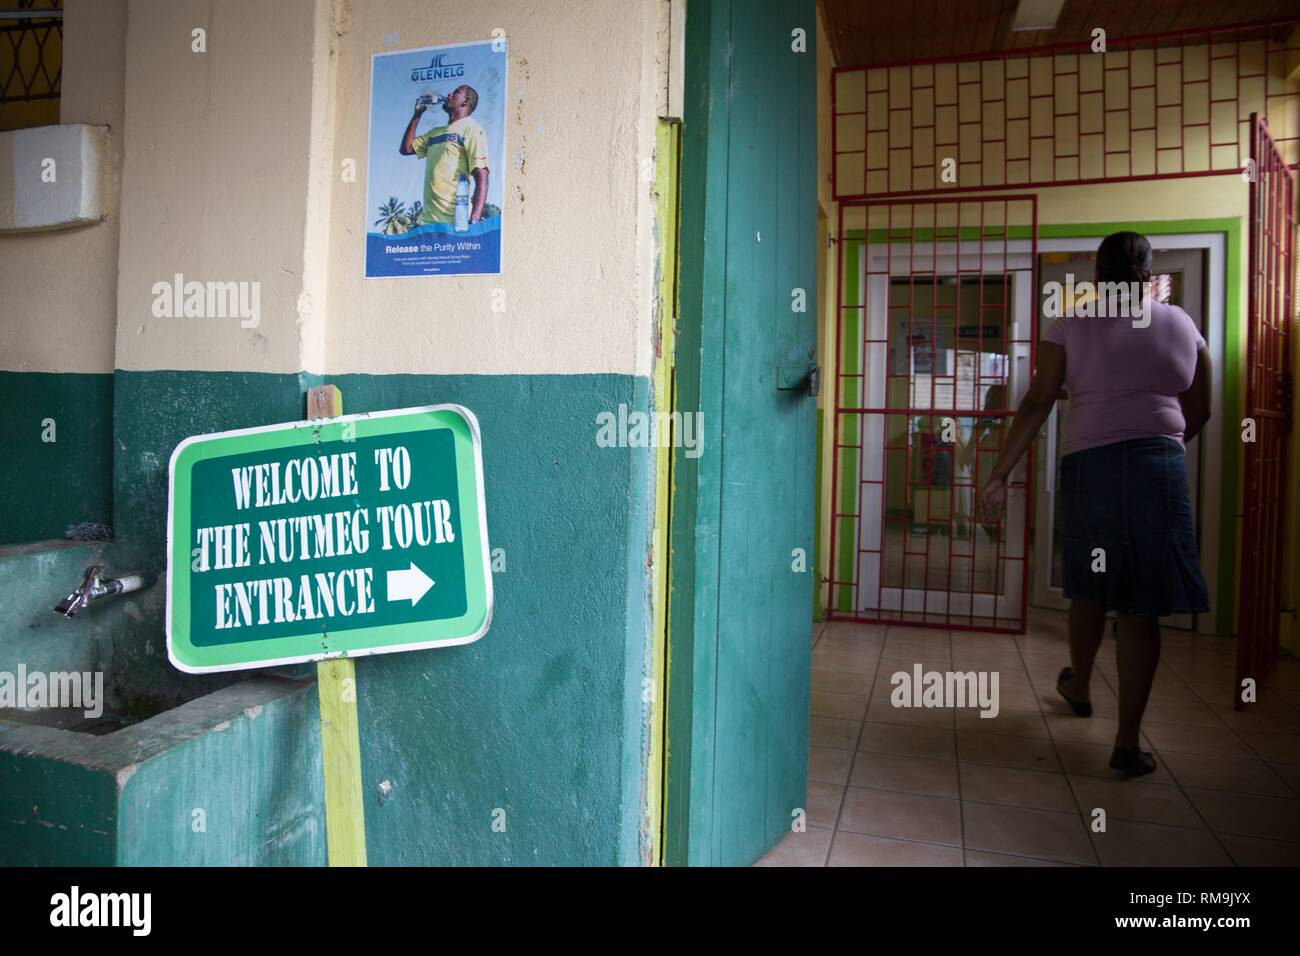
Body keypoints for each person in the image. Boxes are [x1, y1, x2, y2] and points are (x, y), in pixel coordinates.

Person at [978, 231, 1212, 776]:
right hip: (1160, 465)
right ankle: (1127, 744)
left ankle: (1080, 685)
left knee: (1089, 585)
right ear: (1149, 272)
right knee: (1141, 606)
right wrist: (1159, 450)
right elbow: (1200, 409)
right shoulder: (1181, 324)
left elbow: (1038, 402)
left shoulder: (1073, 324)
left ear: (1098, 275)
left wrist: (999, 473)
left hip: (1093, 466)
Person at [399, 84, 490, 227]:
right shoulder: (435, 132)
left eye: (455, 93)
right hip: (426, 222)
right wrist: (417, 115)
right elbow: (407, 148)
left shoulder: (472, 129)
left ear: (465, 101)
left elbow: (482, 176)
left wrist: (474, 220)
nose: (449, 95)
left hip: (454, 222)